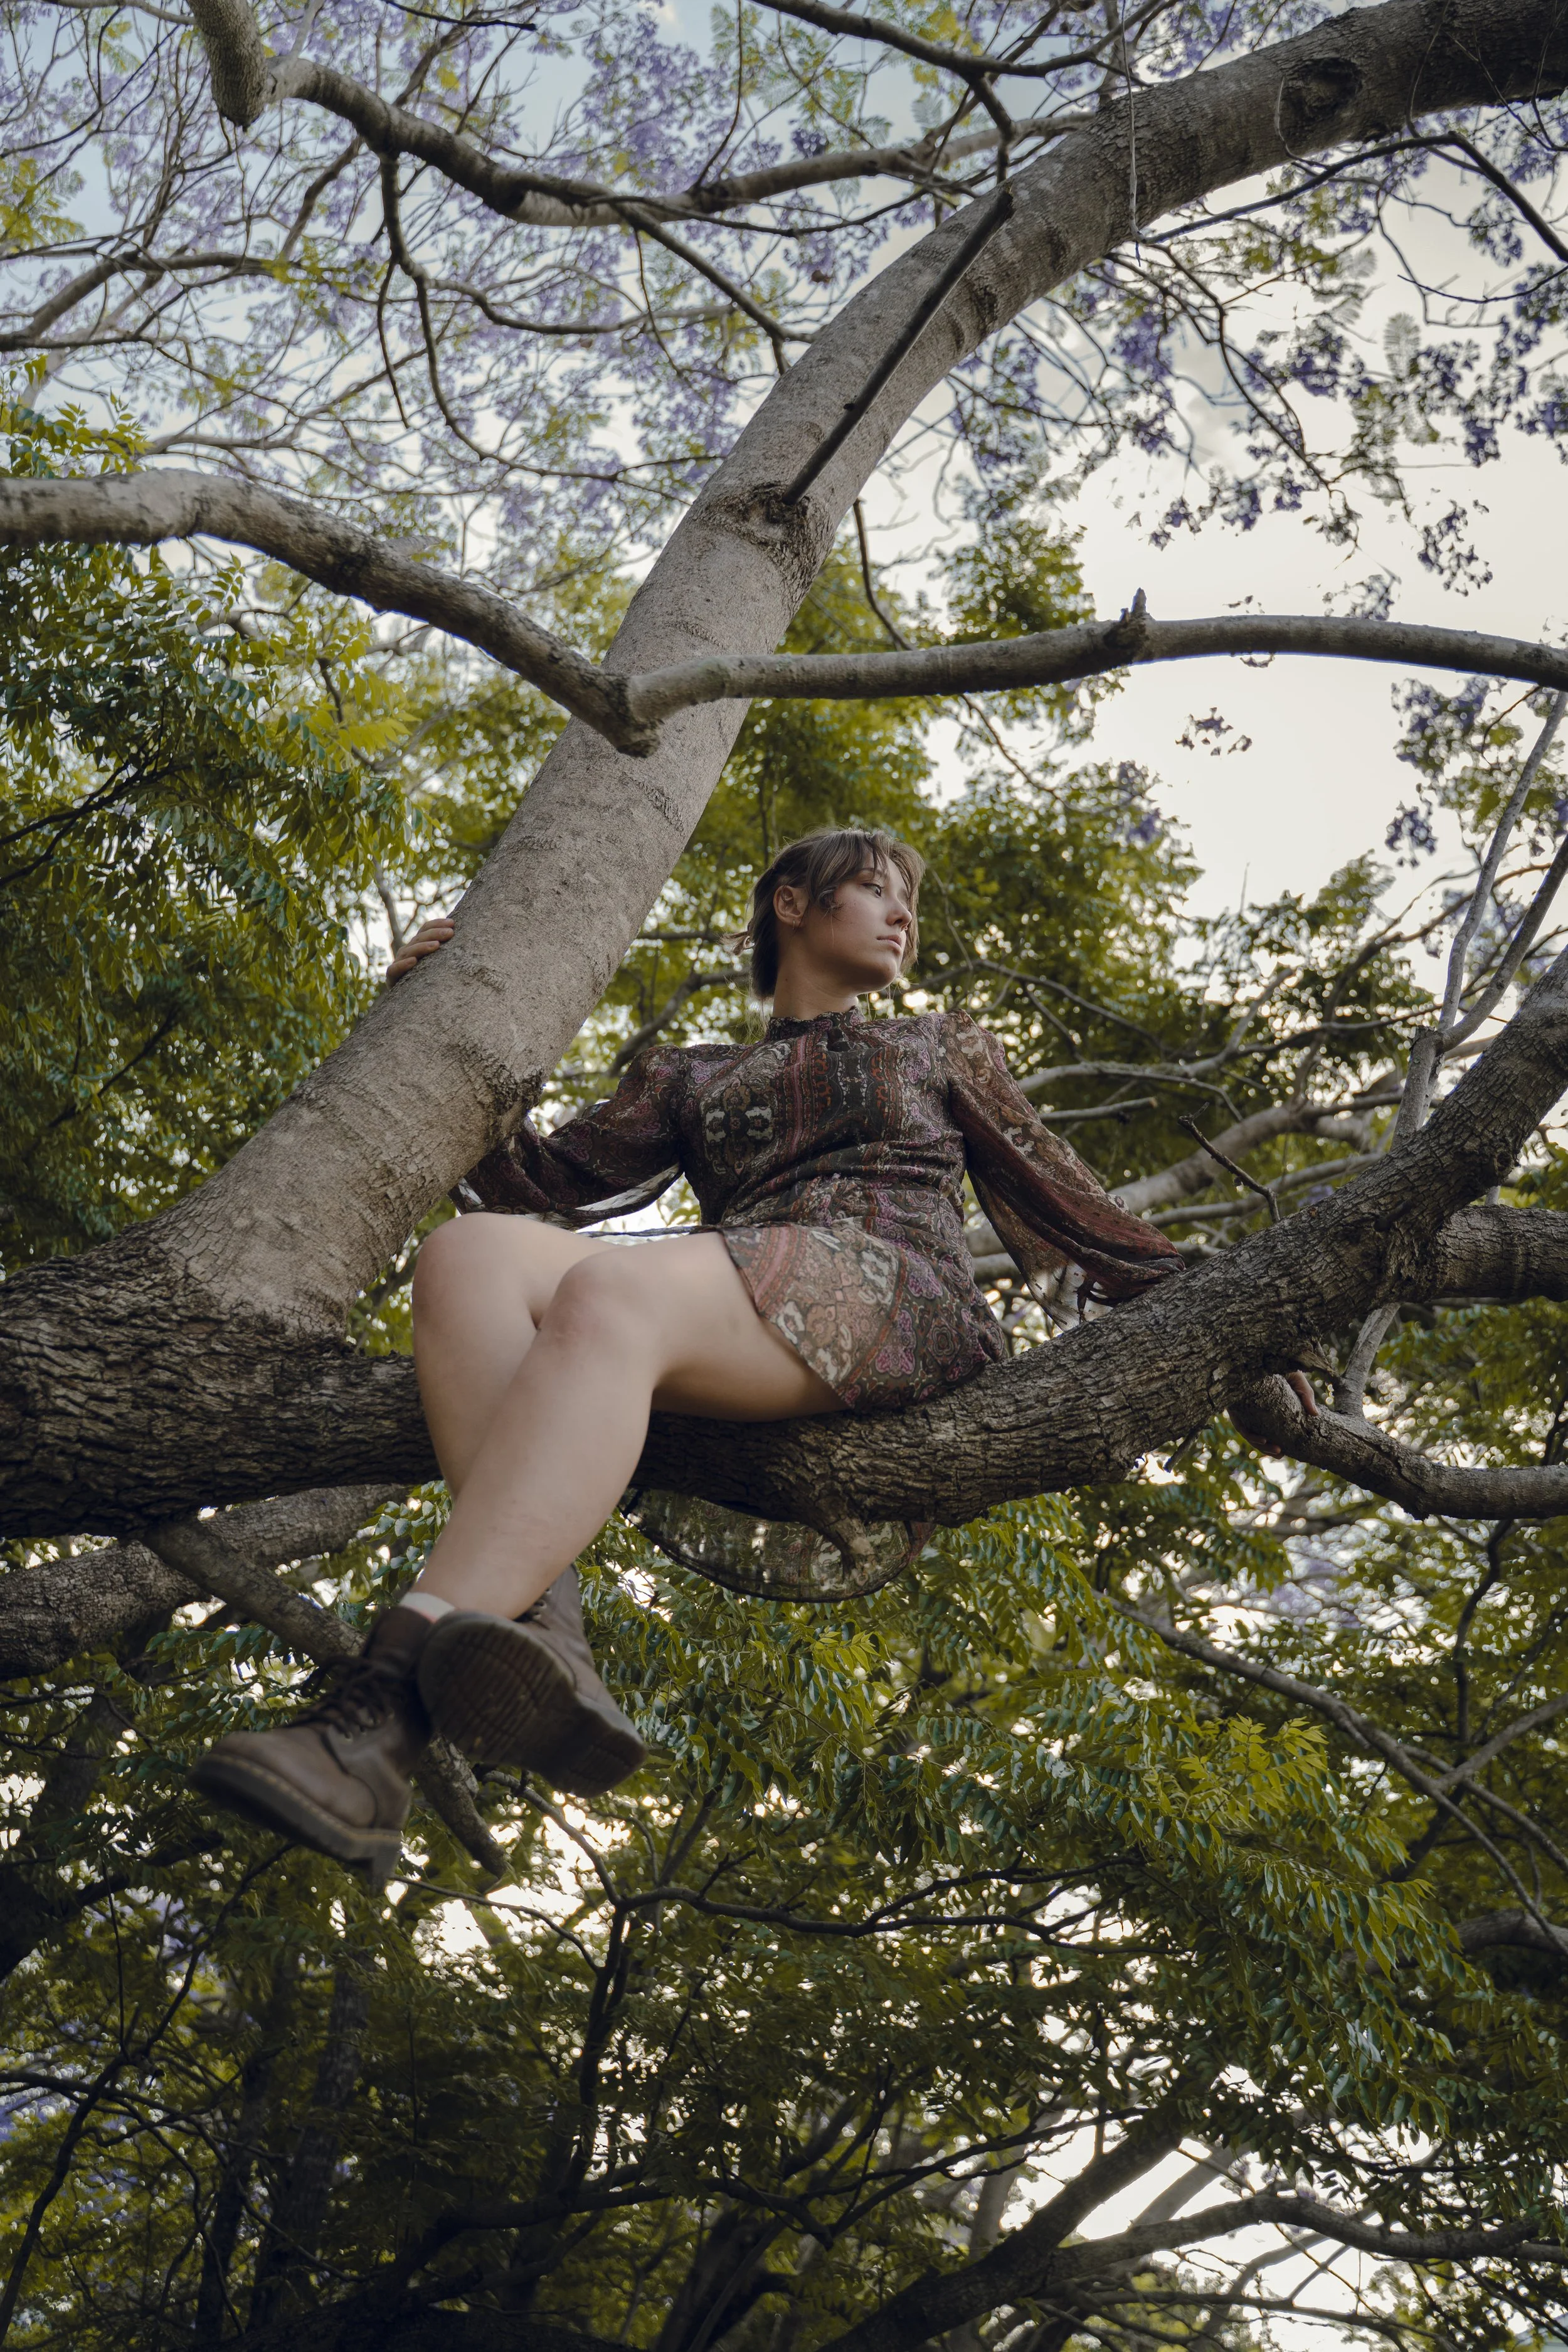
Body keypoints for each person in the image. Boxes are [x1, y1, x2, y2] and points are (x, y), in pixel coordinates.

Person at [193, 828, 1187, 1885]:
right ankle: (537, 1620)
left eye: (910, 903)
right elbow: (529, 1183)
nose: (903, 916)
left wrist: (1237, 1321)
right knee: (462, 1256)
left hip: (897, 1291)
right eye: (873, 889)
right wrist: (418, 1008)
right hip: (742, 1299)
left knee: (609, 1287)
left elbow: (1074, 1206)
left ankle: (379, 1713)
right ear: (792, 904)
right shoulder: (691, 1078)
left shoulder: (938, 1044)